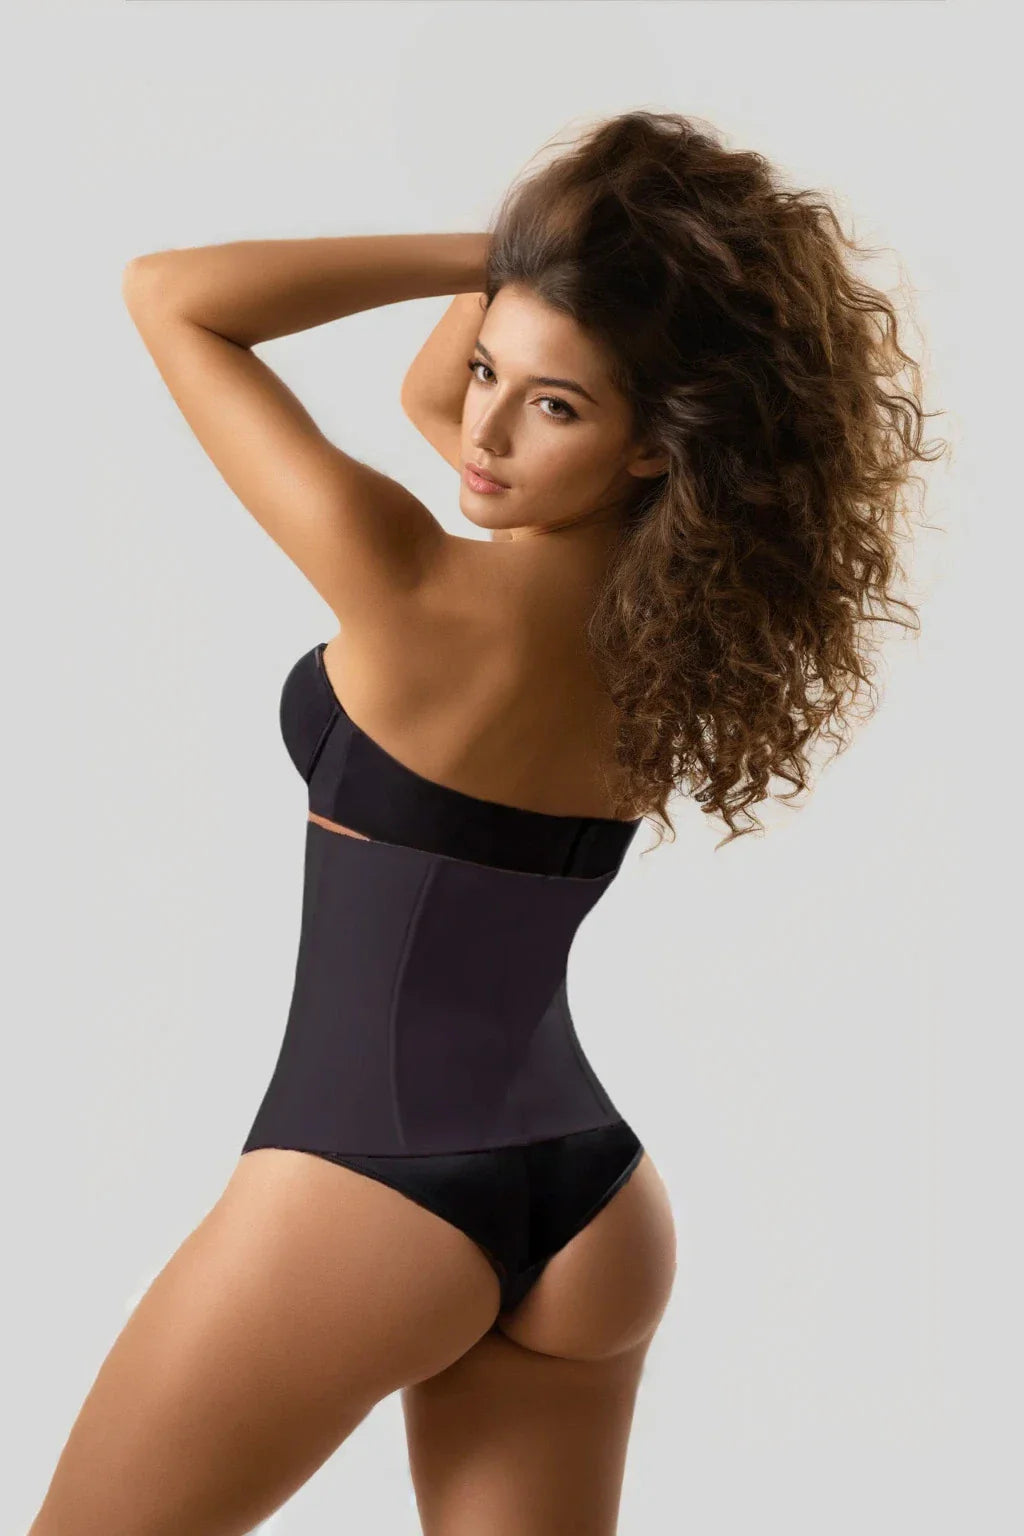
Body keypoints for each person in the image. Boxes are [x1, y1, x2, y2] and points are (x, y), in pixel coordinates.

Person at [29, 110, 942, 1535]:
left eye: (555, 407)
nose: (485, 432)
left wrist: (501, 256)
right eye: (487, 373)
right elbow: (448, 409)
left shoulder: (415, 592)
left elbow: (173, 295)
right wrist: (556, 297)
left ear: (657, 445)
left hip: (366, 1192)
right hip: (592, 1207)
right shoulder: (677, 638)